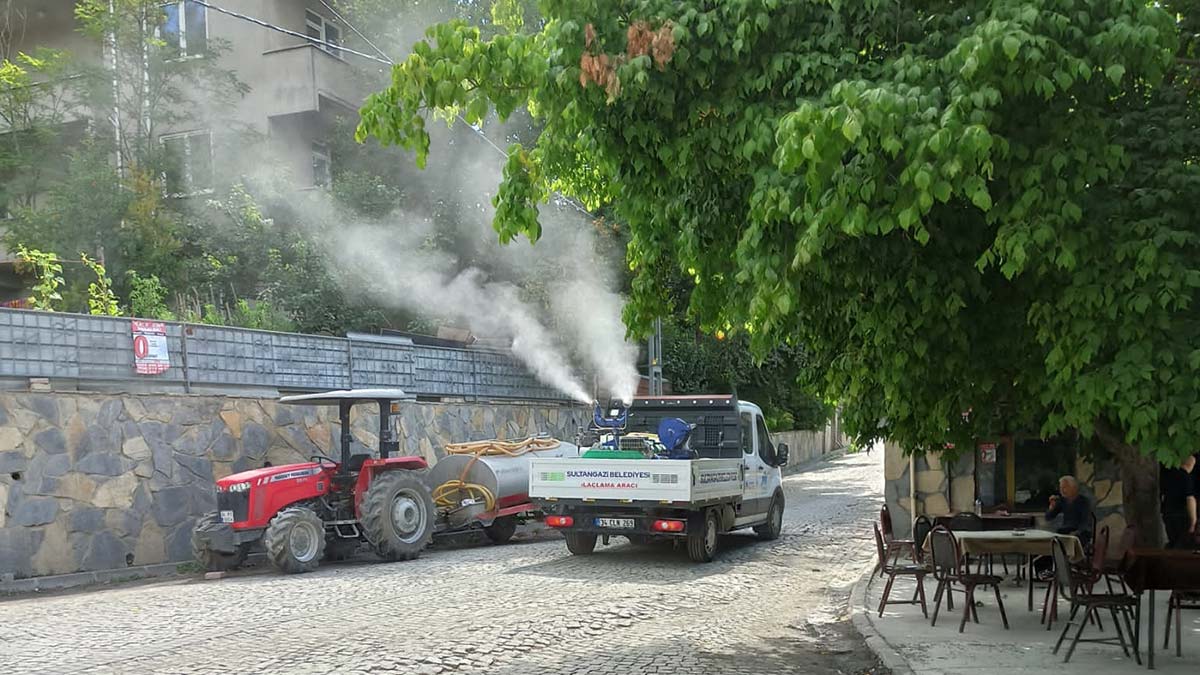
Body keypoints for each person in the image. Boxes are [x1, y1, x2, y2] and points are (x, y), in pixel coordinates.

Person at [1161, 454, 1197, 549]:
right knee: (1184, 544)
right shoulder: (1186, 477)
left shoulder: (1168, 476)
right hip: (1181, 515)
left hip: (1168, 513)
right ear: (1189, 464)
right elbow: (1190, 499)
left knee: (1173, 540)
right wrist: (1193, 520)